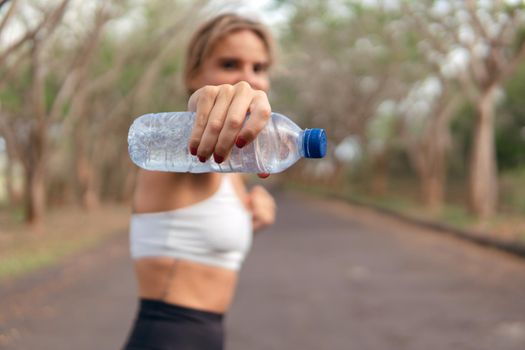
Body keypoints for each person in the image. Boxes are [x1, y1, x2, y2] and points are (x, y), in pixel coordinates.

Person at [123, 13, 277, 350]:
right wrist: (202, 104)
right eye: (229, 64)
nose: (247, 80)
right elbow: (198, 113)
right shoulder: (180, 150)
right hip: (166, 337)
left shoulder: (227, 166)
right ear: (195, 75)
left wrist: (252, 205)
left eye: (259, 68)